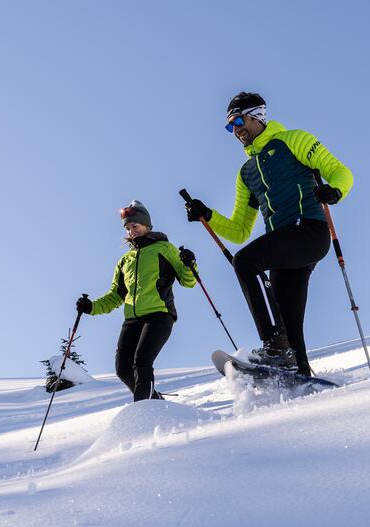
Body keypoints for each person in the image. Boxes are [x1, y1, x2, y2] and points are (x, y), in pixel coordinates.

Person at [183, 92, 353, 377]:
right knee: (289, 325)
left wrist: (335, 191)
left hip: (308, 231)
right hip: (283, 248)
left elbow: (339, 171)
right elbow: (239, 230)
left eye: (238, 121)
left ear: (257, 116)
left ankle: (274, 348)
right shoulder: (246, 173)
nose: (235, 130)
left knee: (245, 262)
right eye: (230, 126)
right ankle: (299, 376)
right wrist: (208, 214)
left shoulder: (294, 140)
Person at [75, 200, 198, 401]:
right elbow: (115, 296)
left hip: (159, 315)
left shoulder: (165, 248)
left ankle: (144, 412)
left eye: (135, 226)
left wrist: (189, 263)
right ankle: (155, 404)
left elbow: (188, 280)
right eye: (128, 227)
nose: (132, 231)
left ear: (147, 226)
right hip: (132, 319)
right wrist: (91, 307)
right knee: (123, 368)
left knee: (141, 362)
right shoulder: (125, 260)